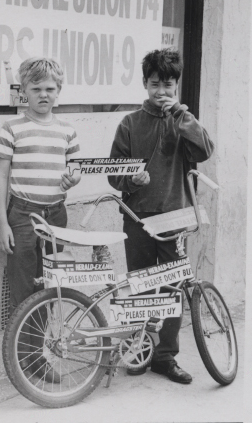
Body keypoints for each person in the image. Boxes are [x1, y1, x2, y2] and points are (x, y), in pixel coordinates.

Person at [108, 48, 214, 384]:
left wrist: (183, 116)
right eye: (155, 84)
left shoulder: (182, 120)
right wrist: (130, 179)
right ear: (144, 83)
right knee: (139, 285)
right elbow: (114, 174)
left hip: (174, 218)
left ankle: (166, 358)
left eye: (168, 85)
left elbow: (205, 151)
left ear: (177, 86)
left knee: (171, 289)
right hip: (137, 217)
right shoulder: (129, 123)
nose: (162, 92)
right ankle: (141, 349)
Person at [0, 57, 81, 379]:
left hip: (56, 216)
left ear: (58, 92)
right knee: (24, 289)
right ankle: (26, 362)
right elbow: (1, 176)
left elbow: (74, 169)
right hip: (22, 216)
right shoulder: (12, 128)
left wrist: (73, 179)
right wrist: (2, 222)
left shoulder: (67, 131)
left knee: (50, 288)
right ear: (24, 91)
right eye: (36, 88)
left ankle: (40, 357)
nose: (43, 95)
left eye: (50, 89)